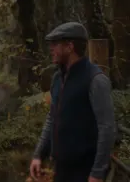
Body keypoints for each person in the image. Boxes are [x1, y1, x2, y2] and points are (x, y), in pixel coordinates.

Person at [29, 22, 116, 182]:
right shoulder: (57, 78)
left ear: (70, 47)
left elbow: (107, 128)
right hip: (61, 168)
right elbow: (52, 118)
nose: (51, 49)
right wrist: (38, 155)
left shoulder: (95, 80)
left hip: (85, 170)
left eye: (55, 44)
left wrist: (97, 173)